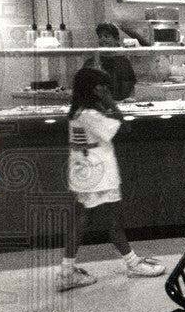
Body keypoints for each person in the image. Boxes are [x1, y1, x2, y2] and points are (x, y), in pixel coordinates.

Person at [56, 67, 165, 291]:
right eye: (102, 86)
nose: (106, 89)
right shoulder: (91, 115)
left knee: (82, 218)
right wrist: (111, 102)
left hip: (82, 170)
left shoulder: (78, 112)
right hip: (99, 172)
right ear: (92, 89)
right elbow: (124, 127)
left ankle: (67, 270)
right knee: (114, 220)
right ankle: (133, 263)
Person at [83, 23, 136, 101]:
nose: (102, 39)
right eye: (100, 37)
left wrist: (131, 98)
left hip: (121, 105)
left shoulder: (124, 62)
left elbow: (131, 85)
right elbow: (84, 88)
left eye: (106, 36)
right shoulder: (91, 62)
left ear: (116, 39)